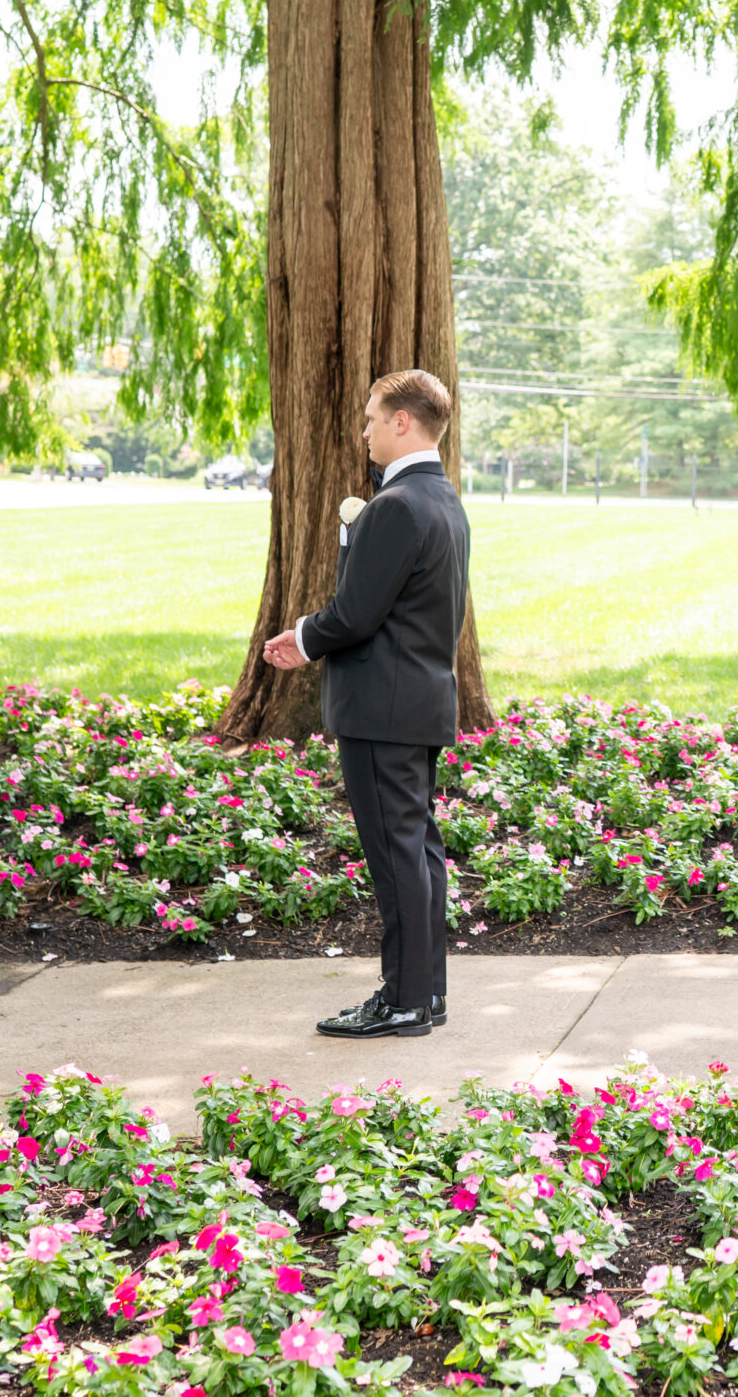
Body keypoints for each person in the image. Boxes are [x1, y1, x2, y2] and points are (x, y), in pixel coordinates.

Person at [263, 370, 471, 1040]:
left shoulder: (397, 506)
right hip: (419, 700)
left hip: (382, 710)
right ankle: (425, 992)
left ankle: (403, 999)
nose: (365, 432)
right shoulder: (444, 500)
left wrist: (300, 638)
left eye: (372, 419)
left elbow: (355, 612)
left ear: (403, 422)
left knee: (395, 855)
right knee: (418, 852)